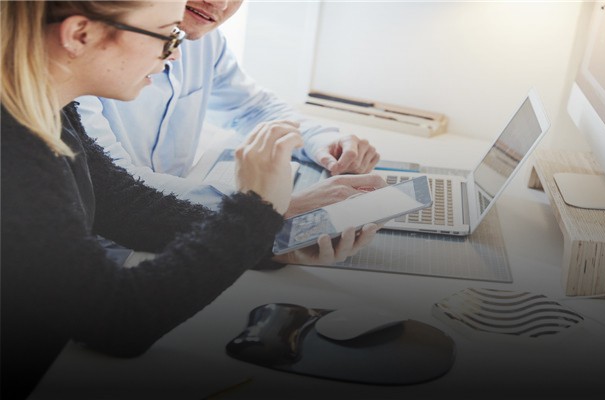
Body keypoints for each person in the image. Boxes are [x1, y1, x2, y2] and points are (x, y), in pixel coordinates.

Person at [0, 2, 380, 398]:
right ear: (80, 34)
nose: (176, 54)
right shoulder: (13, 150)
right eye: (166, 35)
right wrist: (256, 208)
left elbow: (122, 203)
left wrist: (266, 239)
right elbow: (117, 320)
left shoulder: (51, 110)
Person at [77, 0, 383, 212]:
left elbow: (252, 108)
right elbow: (117, 188)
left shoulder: (205, 42)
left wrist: (321, 140)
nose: (220, 4)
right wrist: (268, 211)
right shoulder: (83, 65)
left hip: (181, 222)